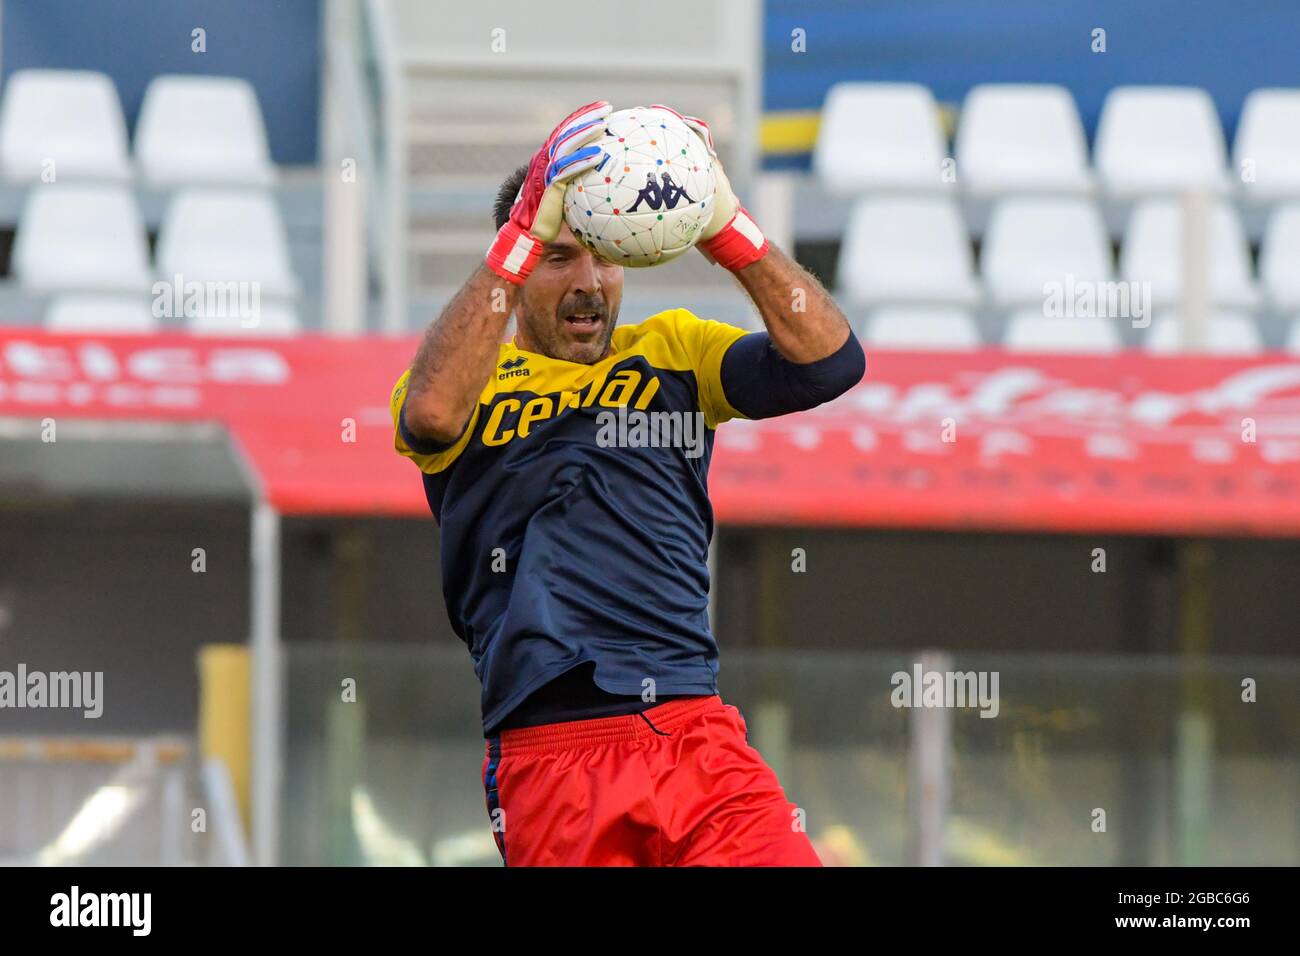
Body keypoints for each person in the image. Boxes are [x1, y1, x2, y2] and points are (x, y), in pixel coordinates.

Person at [390, 101, 864, 865]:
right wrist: (520, 236)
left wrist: (726, 228)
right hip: (552, 750)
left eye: (603, 257)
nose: (588, 282)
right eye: (558, 258)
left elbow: (829, 363)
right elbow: (435, 413)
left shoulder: (674, 351)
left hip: (693, 731)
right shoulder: (464, 379)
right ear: (515, 267)